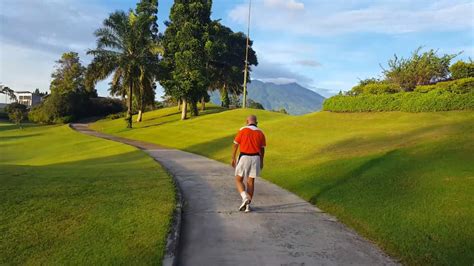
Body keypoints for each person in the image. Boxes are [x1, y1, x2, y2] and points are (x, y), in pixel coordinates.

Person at [231, 115, 266, 213]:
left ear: (247, 121)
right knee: (250, 182)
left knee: (238, 180)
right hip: (256, 158)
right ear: (256, 123)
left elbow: (235, 145)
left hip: (244, 157)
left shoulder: (242, 130)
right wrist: (262, 160)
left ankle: (244, 197)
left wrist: (233, 158)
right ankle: (248, 207)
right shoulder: (261, 132)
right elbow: (262, 149)